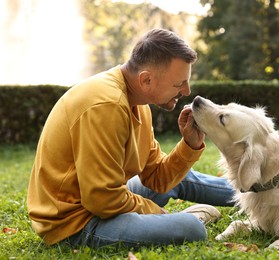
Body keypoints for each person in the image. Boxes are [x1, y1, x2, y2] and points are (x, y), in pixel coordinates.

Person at [27, 28, 235, 249]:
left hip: (101, 202)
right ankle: (182, 220)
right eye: (178, 84)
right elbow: (102, 199)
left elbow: (157, 177)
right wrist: (158, 214)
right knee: (192, 229)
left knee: (181, 178)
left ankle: (255, 192)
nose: (186, 91)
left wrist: (189, 145)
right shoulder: (106, 105)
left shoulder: (137, 101)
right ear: (146, 80)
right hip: (74, 223)